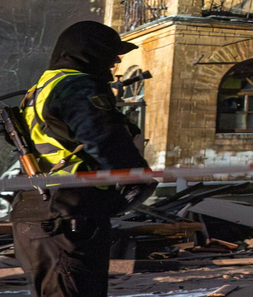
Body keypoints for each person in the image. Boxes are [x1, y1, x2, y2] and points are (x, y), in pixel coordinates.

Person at [10, 21, 156, 297]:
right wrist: (136, 177)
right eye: (111, 53)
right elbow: (101, 135)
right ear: (89, 52)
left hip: (36, 211)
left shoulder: (39, 89)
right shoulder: (76, 85)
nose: (116, 60)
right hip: (68, 213)